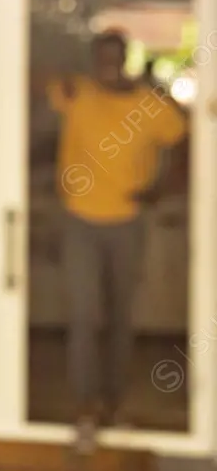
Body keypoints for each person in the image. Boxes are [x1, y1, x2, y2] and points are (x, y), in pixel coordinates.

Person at [47, 29, 186, 445]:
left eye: (113, 56)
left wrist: (164, 187)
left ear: (125, 57)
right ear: (93, 58)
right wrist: (68, 69)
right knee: (86, 319)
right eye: (99, 56)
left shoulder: (150, 104)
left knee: (121, 319)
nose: (106, 64)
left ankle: (116, 404)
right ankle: (86, 410)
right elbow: (37, 79)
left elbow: (187, 138)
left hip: (127, 222)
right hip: (79, 222)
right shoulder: (76, 92)